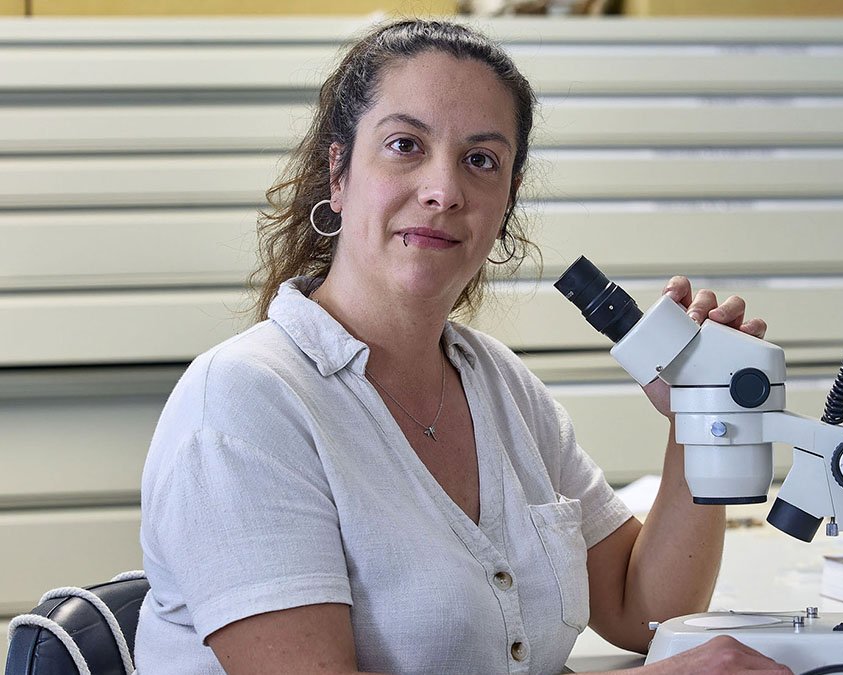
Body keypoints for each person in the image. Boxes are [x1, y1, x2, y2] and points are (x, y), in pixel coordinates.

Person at [136, 18, 790, 675]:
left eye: (481, 160)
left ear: (505, 203)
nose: (443, 191)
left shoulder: (497, 384)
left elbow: (643, 608)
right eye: (404, 145)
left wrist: (698, 421)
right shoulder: (242, 402)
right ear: (338, 173)